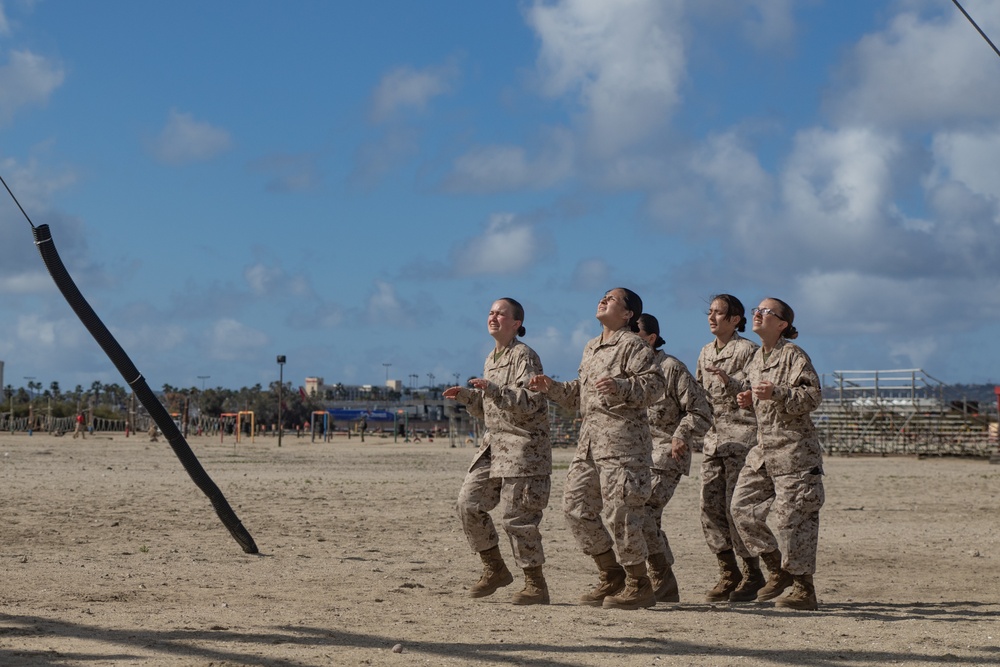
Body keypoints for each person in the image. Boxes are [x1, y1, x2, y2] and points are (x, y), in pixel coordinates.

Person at [529, 288, 665, 610]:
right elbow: (580, 394)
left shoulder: (633, 345)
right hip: (589, 444)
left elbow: (655, 386)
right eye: (603, 296)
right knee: (574, 508)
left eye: (613, 298)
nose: (604, 300)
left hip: (623, 446)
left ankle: (638, 584)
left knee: (622, 513)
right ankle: (611, 574)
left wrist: (622, 387)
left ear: (628, 314)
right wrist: (553, 388)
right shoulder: (592, 346)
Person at [707, 297, 824, 610]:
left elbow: (813, 396)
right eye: (756, 310)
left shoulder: (793, 354)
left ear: (782, 323)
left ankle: (803, 589)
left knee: (793, 519)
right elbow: (755, 392)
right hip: (763, 449)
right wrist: (744, 394)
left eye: (765, 312)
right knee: (741, 508)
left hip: (794, 451)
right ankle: (775, 567)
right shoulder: (757, 357)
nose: (757, 314)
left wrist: (779, 393)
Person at [444, 298, 553, 605]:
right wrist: (468, 397)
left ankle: (535, 584)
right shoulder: (492, 358)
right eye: (490, 312)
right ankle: (494, 569)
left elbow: (532, 401)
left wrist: (493, 390)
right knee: (468, 504)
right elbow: (490, 409)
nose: (493, 317)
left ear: (516, 323)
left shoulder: (524, 356)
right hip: (493, 446)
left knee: (518, 517)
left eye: (500, 313)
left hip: (523, 448)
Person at [634, 314, 712, 603]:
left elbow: (701, 410)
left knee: (642, 513)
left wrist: (681, 434)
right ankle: (659, 581)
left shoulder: (670, 368)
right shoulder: (627, 369)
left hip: (666, 452)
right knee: (634, 514)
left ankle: (660, 578)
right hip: (634, 455)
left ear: (651, 338)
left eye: (635, 333)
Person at [696, 294, 761, 602]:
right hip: (713, 442)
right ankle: (727, 572)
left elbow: (758, 392)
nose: (712, 318)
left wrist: (731, 382)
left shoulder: (748, 351)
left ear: (735, 319)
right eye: (710, 312)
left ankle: (752, 573)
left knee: (736, 509)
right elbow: (698, 399)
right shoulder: (705, 352)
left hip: (742, 440)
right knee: (709, 508)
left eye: (718, 313)